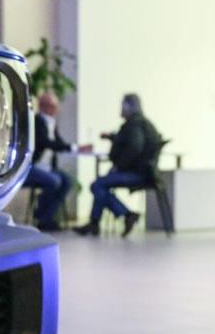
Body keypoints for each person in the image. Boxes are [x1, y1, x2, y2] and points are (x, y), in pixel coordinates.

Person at [74, 94, 161, 238]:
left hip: (138, 173)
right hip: (144, 171)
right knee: (101, 185)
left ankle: (124, 215)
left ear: (128, 107)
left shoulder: (134, 124)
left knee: (98, 185)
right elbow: (131, 141)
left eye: (122, 106)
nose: (120, 109)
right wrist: (113, 137)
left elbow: (134, 147)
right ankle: (97, 222)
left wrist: (119, 166)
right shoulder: (139, 123)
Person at [24, 93, 87, 231]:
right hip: (33, 167)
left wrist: (75, 147)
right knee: (54, 181)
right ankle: (40, 214)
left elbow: (58, 143)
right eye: (52, 106)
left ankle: (47, 218)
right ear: (43, 106)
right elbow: (46, 142)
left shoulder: (52, 123)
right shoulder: (37, 122)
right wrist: (71, 147)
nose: (55, 109)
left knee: (67, 181)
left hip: (47, 167)